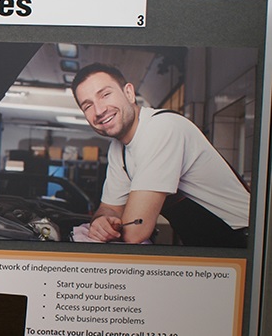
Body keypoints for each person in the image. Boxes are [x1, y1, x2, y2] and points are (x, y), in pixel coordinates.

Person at [70, 62, 250, 247]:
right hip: (205, 244)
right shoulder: (119, 149)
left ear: (129, 93)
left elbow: (135, 232)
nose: (99, 110)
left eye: (105, 94)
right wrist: (101, 221)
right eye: (88, 106)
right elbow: (109, 208)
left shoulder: (161, 128)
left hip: (243, 241)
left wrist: (116, 221)